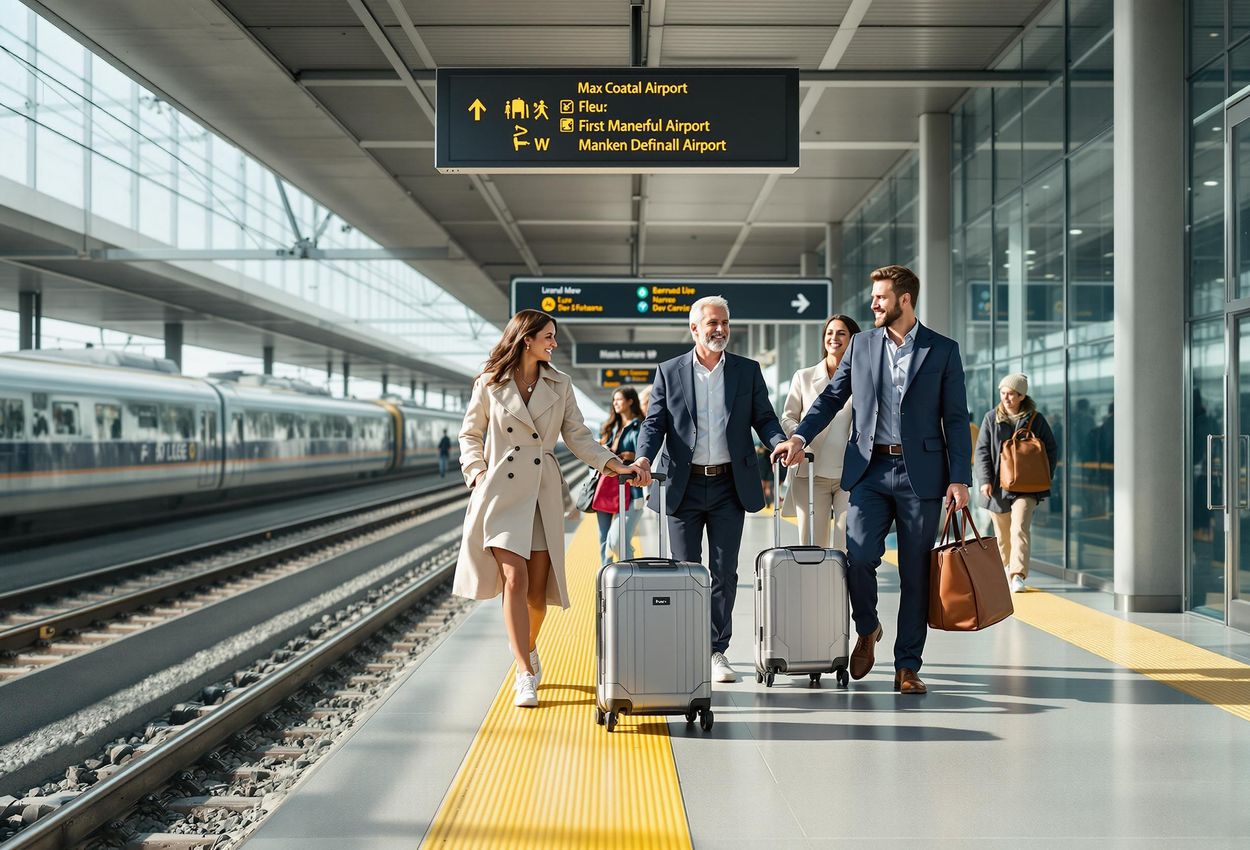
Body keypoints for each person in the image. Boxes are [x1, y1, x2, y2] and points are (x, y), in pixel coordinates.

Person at [773, 265, 971, 695]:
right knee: (858, 558)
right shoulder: (862, 346)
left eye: (880, 297)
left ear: (904, 300)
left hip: (923, 476)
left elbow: (956, 420)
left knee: (917, 573)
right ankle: (867, 629)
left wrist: (960, 478)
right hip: (869, 470)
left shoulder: (942, 351)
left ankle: (907, 666)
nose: (873, 303)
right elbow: (830, 398)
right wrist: (800, 436)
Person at [455, 309, 650, 708]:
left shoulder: (560, 385)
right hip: (499, 494)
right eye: (548, 336)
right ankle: (524, 672)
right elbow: (470, 434)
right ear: (526, 339)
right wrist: (477, 474)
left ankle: (526, 648)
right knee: (515, 579)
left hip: (541, 495)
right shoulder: (490, 383)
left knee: (537, 596)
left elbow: (579, 436)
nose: (554, 343)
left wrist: (616, 466)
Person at [635, 295, 786, 683]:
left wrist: (780, 442)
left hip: (728, 486)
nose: (719, 329)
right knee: (686, 572)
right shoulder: (669, 372)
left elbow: (764, 417)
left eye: (724, 323)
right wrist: (644, 460)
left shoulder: (746, 371)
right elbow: (654, 425)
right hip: (682, 487)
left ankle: (717, 650)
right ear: (695, 329)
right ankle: (687, 646)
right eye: (712, 324)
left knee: (724, 572)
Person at [781, 314, 861, 548]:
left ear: (852, 339)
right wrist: (799, 438)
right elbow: (788, 416)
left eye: (841, 333)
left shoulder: (863, 378)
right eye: (829, 333)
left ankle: (840, 586)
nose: (834, 338)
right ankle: (814, 585)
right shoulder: (804, 377)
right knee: (811, 544)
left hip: (850, 475)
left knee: (846, 545)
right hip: (811, 473)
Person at [975, 373, 1059, 593]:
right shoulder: (991, 418)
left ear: (1022, 395)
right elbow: (982, 451)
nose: (1006, 398)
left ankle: (1018, 574)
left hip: (1026, 487)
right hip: (997, 485)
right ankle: (1006, 567)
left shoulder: (1036, 419)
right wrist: (984, 481)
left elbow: (1050, 449)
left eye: (1011, 394)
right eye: (1003, 393)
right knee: (1002, 534)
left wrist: (1043, 476)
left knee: (1019, 527)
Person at [596, 387, 644, 564]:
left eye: (619, 399)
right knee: (603, 542)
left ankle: (628, 577)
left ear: (630, 401)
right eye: (614, 400)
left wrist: (628, 456)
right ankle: (606, 583)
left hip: (632, 491)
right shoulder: (611, 427)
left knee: (617, 541)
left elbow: (644, 454)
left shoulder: (640, 426)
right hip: (606, 488)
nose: (615, 403)